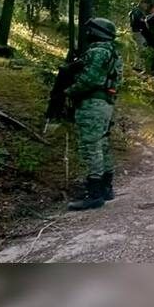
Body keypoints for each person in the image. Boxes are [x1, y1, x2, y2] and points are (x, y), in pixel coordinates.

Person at [65, 18, 124, 211]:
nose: (87, 34)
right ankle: (106, 188)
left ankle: (94, 194)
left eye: (90, 30)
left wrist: (69, 91)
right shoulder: (113, 52)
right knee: (103, 143)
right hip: (106, 103)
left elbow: (90, 79)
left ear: (97, 32)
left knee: (91, 145)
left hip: (93, 103)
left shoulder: (98, 52)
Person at [129, 0, 149, 71]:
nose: (146, 6)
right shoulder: (137, 11)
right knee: (142, 48)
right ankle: (138, 67)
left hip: (137, 32)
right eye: (145, 4)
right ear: (142, 3)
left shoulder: (136, 11)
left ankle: (138, 65)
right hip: (138, 32)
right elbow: (138, 20)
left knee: (140, 48)